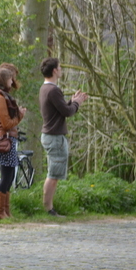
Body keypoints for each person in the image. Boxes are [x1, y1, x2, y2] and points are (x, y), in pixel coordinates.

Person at [39, 57, 88, 216]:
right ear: (54, 70)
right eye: (60, 67)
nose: (61, 70)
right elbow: (67, 112)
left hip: (50, 135)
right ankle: (48, 209)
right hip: (54, 137)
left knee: (54, 173)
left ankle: (48, 207)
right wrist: (77, 103)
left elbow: (60, 109)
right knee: (53, 175)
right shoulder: (53, 90)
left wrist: (71, 101)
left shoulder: (45, 89)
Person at [0, 63, 26, 219]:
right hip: (5, 140)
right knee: (6, 175)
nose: (12, 82)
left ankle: (6, 210)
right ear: (5, 80)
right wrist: (20, 116)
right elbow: (6, 123)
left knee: (10, 175)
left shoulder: (3, 96)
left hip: (10, 139)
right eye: (10, 79)